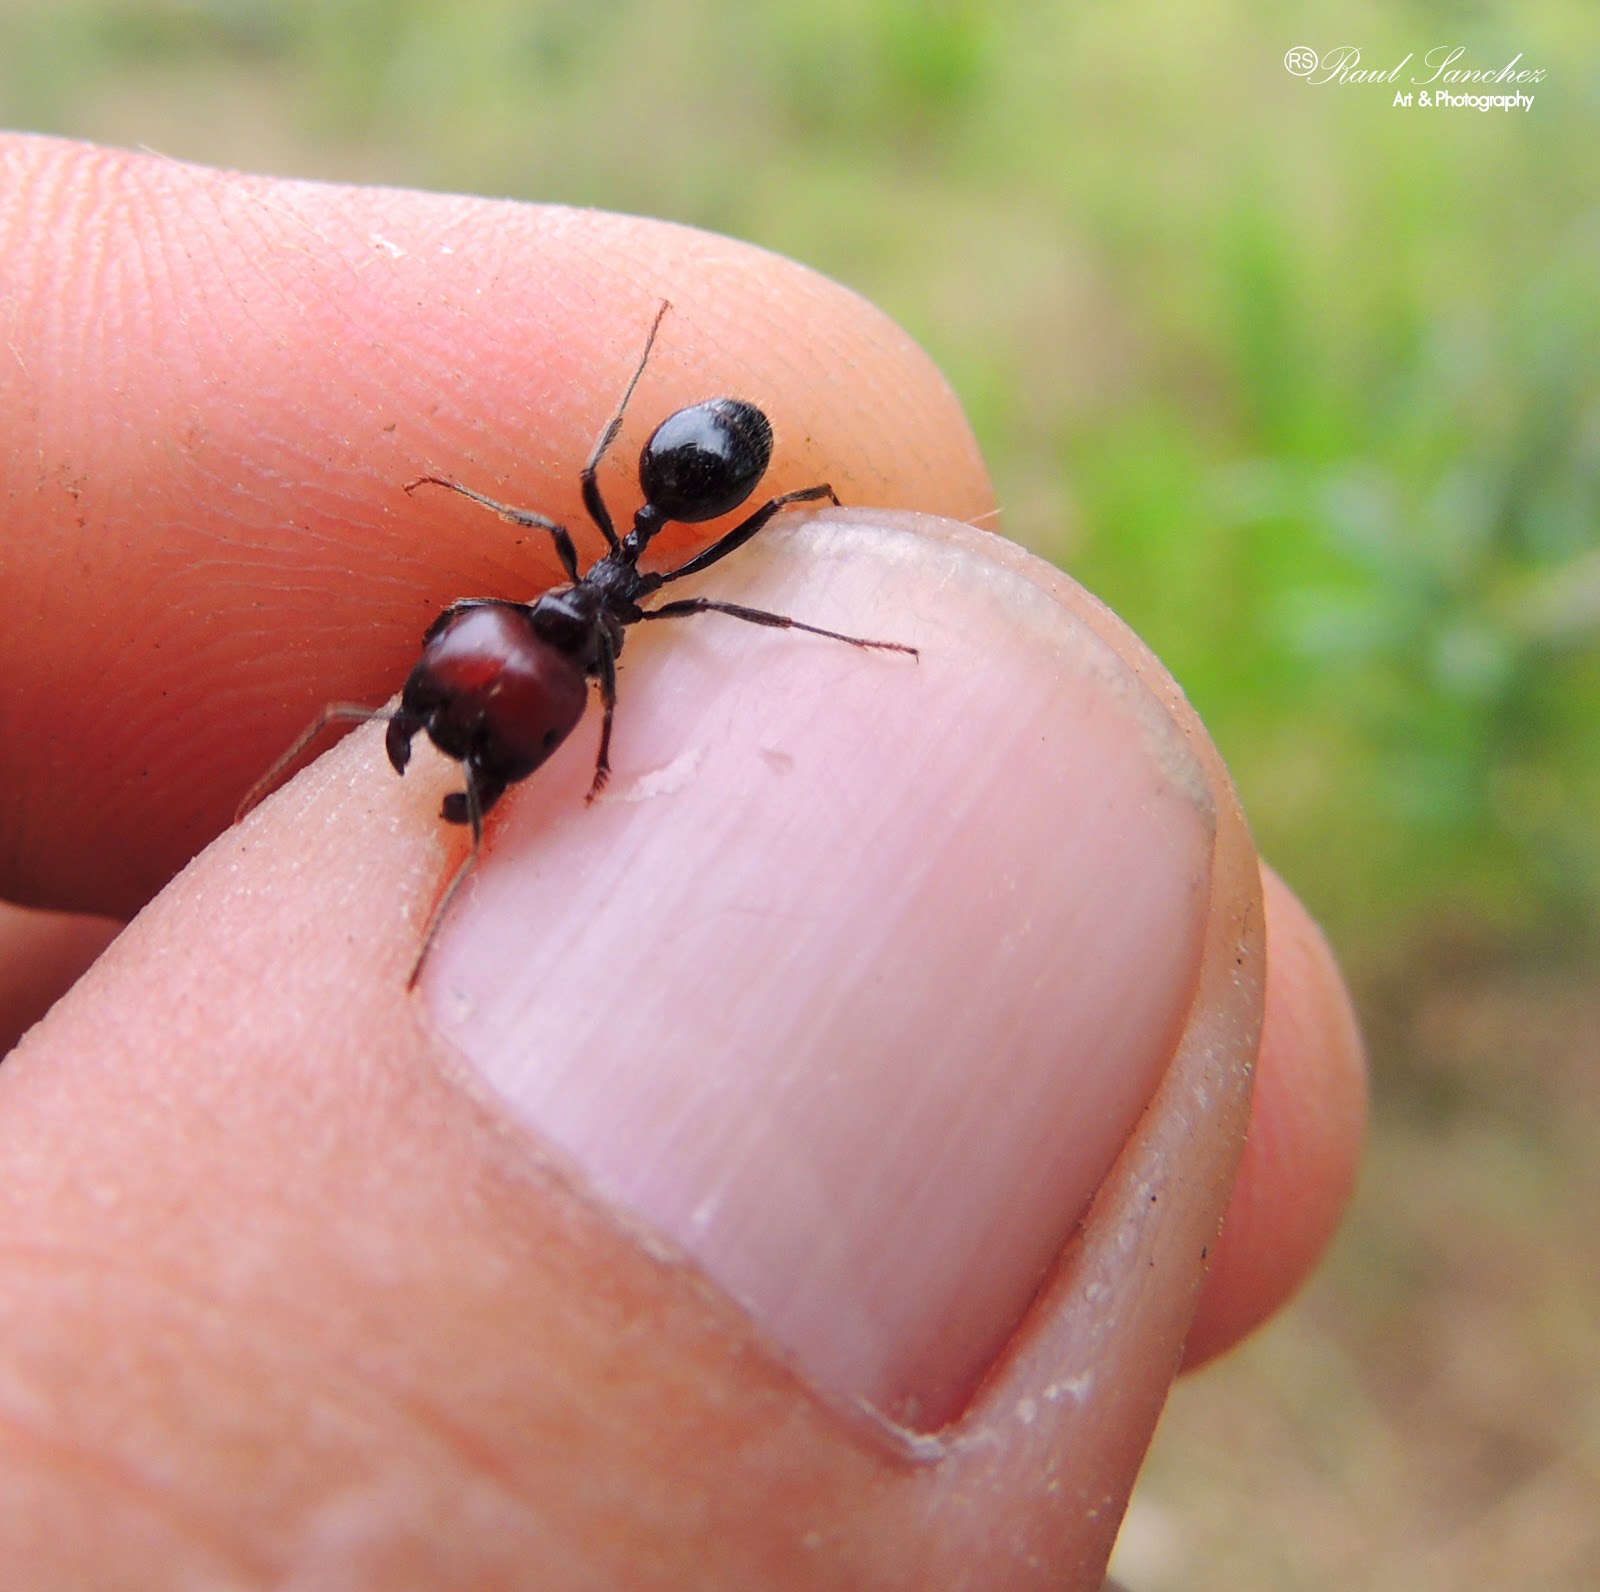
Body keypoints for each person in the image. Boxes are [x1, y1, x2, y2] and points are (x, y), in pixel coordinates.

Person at [0, 134, 1366, 1588]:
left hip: (712, 472)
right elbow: (507, 616)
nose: (498, 705)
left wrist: (687, 715)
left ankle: (839, 624)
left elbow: (547, 599)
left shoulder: (623, 576)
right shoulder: (557, 593)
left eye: (515, 712)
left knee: (727, 579)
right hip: (642, 512)